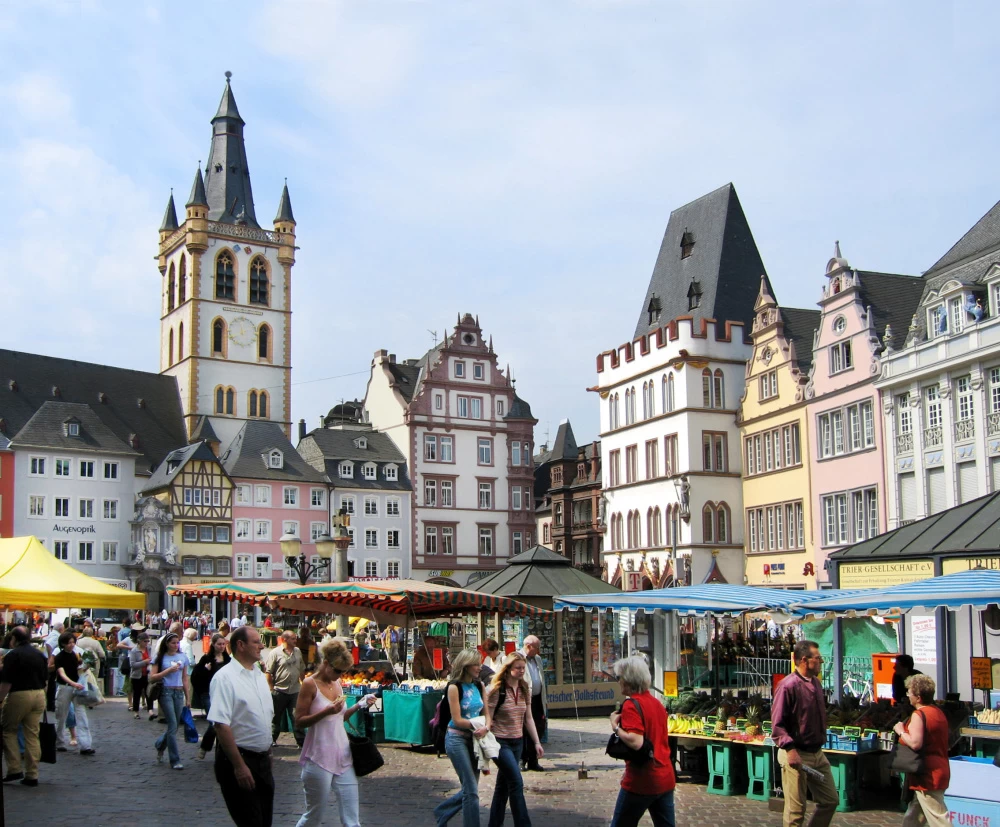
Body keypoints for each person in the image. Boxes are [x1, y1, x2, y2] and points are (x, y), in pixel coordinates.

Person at [294, 637, 375, 827]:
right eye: (337, 670)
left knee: (352, 818)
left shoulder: (337, 684)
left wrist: (359, 704)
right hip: (319, 756)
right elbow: (299, 721)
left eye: (343, 672)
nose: (339, 675)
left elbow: (339, 718)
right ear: (325, 663)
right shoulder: (309, 684)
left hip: (343, 755)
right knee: (314, 815)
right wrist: (326, 711)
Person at [209, 626, 275, 826]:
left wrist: (267, 751)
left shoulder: (258, 674)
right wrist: (239, 766)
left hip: (262, 760)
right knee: (251, 821)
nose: (261, 646)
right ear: (240, 645)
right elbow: (221, 725)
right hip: (239, 759)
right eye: (256, 642)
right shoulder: (225, 678)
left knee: (264, 821)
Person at [771, 640, 839, 827]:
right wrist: (790, 749)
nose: (821, 662)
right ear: (804, 660)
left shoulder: (816, 683)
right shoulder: (788, 686)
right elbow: (777, 724)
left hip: (816, 753)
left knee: (830, 800)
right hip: (795, 752)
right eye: (818, 658)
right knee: (796, 811)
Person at [607, 655, 675, 827]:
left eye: (619, 677)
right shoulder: (656, 703)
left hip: (642, 779)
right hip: (665, 776)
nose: (618, 681)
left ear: (628, 680)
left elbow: (635, 741)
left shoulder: (631, 705)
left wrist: (615, 727)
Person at [485, 652, 543, 827]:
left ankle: (494, 824)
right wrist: (485, 730)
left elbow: (529, 718)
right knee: (516, 782)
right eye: (517, 668)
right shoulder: (497, 691)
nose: (521, 671)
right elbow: (488, 717)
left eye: (523, 668)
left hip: (518, 741)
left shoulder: (525, 689)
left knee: (502, 787)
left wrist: (537, 742)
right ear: (508, 669)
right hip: (500, 743)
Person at [434, 649, 490, 827]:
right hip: (457, 739)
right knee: (471, 790)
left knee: (469, 789)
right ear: (465, 666)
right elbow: (457, 720)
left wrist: (487, 727)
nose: (479, 668)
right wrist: (478, 725)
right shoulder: (454, 687)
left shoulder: (479, 686)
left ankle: (442, 811)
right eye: (476, 664)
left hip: (476, 739)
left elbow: (487, 712)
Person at [893, 674, 953, 827]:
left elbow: (915, 743)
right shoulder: (937, 712)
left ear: (918, 697)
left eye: (909, 692)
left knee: (938, 818)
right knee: (914, 816)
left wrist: (900, 731)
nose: (907, 695)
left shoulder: (919, 715)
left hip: (927, 774)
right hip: (939, 767)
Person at [0, 626, 48, 786]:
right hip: (39, 694)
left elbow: (7, 682)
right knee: (32, 734)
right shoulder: (39, 654)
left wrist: (0, 699)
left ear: (14, 639)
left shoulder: (13, 655)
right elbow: (46, 680)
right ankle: (32, 774)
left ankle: (14, 768)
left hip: (20, 694)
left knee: (8, 730)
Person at [148, 631, 191, 770]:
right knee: (172, 724)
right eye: (173, 643)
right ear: (166, 644)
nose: (176, 645)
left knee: (175, 725)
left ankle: (160, 744)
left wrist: (187, 697)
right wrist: (168, 671)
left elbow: (185, 678)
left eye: (177, 642)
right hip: (165, 691)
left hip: (178, 692)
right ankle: (175, 759)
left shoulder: (182, 657)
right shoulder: (160, 658)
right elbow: (152, 677)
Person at [53, 630, 94, 755]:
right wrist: (73, 683)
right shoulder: (59, 657)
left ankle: (85, 745)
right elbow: (61, 673)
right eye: (68, 643)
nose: (71, 645)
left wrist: (87, 666)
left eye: (72, 642)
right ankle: (59, 742)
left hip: (77, 688)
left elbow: (78, 670)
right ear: (63, 644)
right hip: (65, 687)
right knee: (61, 715)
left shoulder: (76, 655)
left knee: (81, 715)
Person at [193, 633, 231, 759]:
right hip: (208, 694)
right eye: (219, 644)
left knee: (222, 722)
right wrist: (205, 670)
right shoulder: (206, 659)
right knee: (214, 721)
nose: (221, 646)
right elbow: (196, 676)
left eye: (223, 644)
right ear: (213, 645)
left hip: (223, 693)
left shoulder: (228, 660)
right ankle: (205, 746)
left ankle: (221, 750)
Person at [265, 630, 305, 747]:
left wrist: (303, 684)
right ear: (285, 639)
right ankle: (271, 739)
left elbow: (301, 669)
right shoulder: (275, 653)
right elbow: (268, 672)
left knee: (296, 716)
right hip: (279, 690)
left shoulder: (297, 651)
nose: (295, 640)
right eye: (293, 638)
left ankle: (301, 741)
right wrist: (271, 688)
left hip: (295, 690)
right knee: (276, 717)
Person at [520, 636, 547, 771]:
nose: (539, 650)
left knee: (538, 727)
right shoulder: (517, 657)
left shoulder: (538, 659)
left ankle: (533, 760)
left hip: (537, 699)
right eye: (537, 647)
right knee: (523, 730)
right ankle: (522, 759)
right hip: (523, 699)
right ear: (529, 646)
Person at [128, 632, 153, 720]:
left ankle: (150, 711)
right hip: (137, 675)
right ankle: (136, 711)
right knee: (137, 694)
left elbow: (151, 658)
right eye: (145, 641)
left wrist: (151, 662)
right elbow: (133, 665)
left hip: (147, 674)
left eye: (148, 641)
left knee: (149, 693)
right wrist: (144, 662)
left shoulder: (149, 648)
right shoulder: (134, 651)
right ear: (139, 641)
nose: (146, 643)